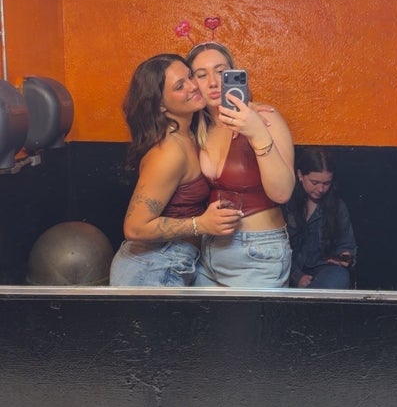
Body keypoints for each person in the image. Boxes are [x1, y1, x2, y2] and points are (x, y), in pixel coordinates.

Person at [110, 54, 242, 287]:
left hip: (171, 262)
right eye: (180, 86)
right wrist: (201, 224)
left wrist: (255, 114)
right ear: (161, 105)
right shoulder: (169, 151)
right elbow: (135, 227)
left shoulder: (189, 133)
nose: (193, 86)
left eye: (190, 76)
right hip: (150, 268)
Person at [186, 42, 295, 288]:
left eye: (221, 71)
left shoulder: (265, 118)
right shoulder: (198, 128)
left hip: (257, 253)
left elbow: (282, 193)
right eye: (201, 75)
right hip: (207, 252)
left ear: (234, 73)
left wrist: (256, 132)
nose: (213, 82)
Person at [283, 146, 357, 289]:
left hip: (323, 271)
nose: (321, 189)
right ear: (300, 175)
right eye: (314, 183)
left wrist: (345, 257)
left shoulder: (338, 206)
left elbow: (347, 244)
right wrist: (296, 277)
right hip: (288, 269)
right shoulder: (286, 202)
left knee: (339, 277)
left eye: (326, 183)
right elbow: (275, 251)